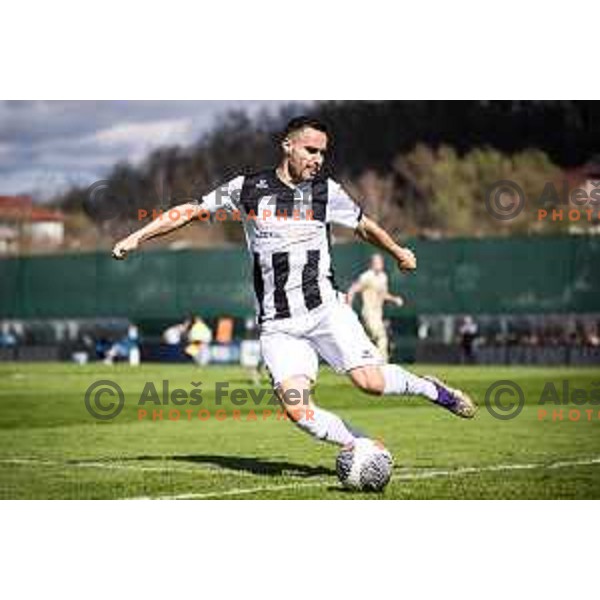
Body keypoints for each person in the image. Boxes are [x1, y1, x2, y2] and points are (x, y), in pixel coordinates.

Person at [112, 116, 476, 451]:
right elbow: (191, 210)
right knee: (299, 412)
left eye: (323, 153)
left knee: (372, 383)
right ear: (288, 145)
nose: (318, 159)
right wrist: (138, 236)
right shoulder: (247, 188)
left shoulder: (326, 192)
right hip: (278, 324)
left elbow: (363, 225)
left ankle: (434, 390)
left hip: (325, 310)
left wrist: (397, 250)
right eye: (311, 150)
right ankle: (364, 446)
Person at [347, 253, 404, 361]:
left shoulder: (383, 277)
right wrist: (349, 306)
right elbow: (352, 290)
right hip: (368, 312)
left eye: (380, 261)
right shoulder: (366, 276)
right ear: (371, 263)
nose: (378, 264)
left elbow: (383, 294)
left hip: (378, 313)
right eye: (376, 262)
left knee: (372, 338)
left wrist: (394, 299)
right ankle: (383, 363)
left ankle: (364, 360)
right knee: (381, 336)